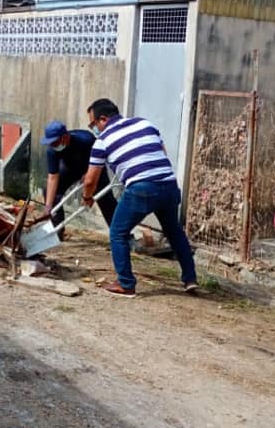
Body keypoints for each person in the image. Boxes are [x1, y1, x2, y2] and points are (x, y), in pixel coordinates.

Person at [82, 98, 198, 298]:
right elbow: (161, 153)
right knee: (174, 232)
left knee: (118, 232)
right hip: (169, 185)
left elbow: (90, 180)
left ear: (103, 119)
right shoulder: (145, 124)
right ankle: (190, 278)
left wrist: (87, 197)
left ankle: (126, 284)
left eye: (93, 124)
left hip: (141, 188)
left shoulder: (102, 141)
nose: (94, 128)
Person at [40, 119, 117, 237]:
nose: (53, 146)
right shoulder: (52, 150)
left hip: (94, 168)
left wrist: (88, 175)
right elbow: (53, 177)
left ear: (65, 137)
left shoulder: (86, 140)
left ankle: (121, 234)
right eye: (50, 143)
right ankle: (57, 231)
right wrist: (48, 206)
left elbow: (100, 159)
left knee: (106, 199)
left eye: (55, 143)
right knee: (51, 192)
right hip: (71, 167)